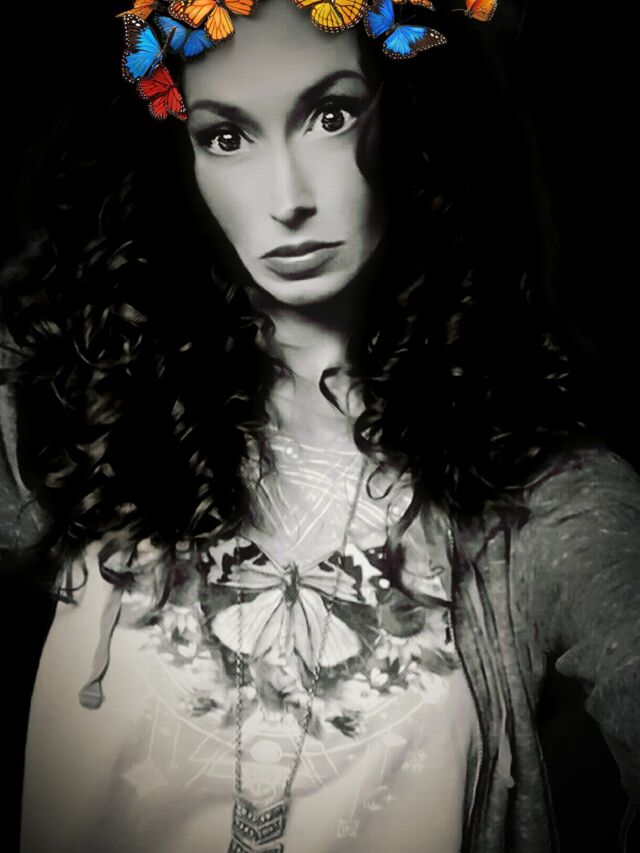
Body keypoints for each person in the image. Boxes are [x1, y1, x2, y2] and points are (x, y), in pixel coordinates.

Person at [2, 1, 639, 851]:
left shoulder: (544, 496)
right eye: (226, 136)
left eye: (331, 116)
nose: (287, 199)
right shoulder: (85, 411)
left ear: (414, 123)